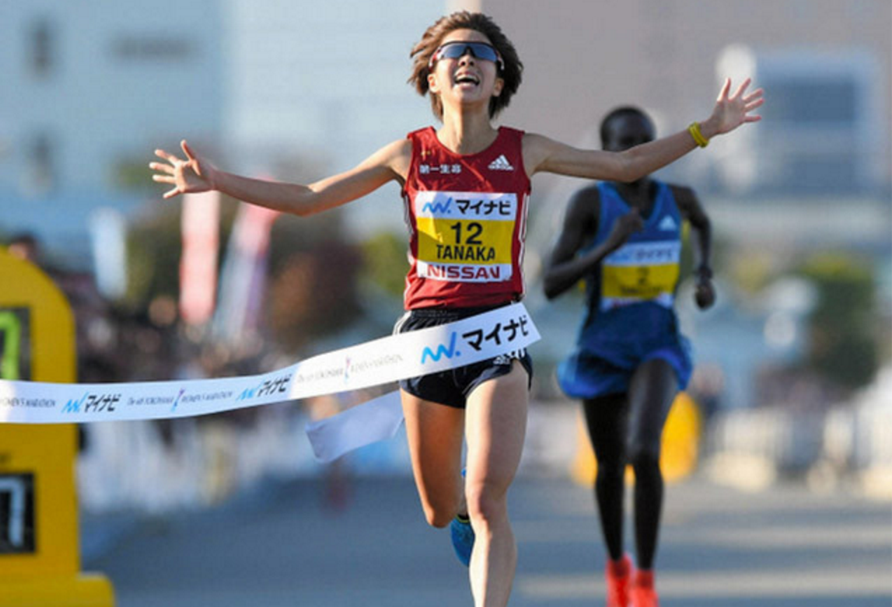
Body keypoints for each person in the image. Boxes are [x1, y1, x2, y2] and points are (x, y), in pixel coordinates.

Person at [150, 11, 762, 607]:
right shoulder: (407, 155)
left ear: (499, 81)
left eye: (481, 54)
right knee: (441, 508)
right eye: (454, 53)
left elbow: (624, 165)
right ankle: (463, 512)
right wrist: (219, 181)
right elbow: (309, 198)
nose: (467, 60)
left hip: (497, 334)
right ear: (432, 78)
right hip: (426, 340)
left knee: (490, 498)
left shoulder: (525, 151)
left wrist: (706, 129)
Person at [543, 106, 719, 607]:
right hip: (601, 348)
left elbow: (702, 221)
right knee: (608, 465)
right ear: (606, 150)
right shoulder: (588, 204)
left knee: (644, 450)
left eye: (644, 140)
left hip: (658, 343)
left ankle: (644, 578)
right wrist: (609, 245)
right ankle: (616, 564)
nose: (636, 151)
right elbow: (552, 284)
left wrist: (704, 274)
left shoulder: (677, 198)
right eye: (624, 143)